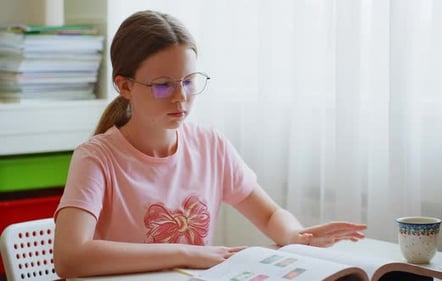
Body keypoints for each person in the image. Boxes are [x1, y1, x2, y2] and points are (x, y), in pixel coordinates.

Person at [53, 10, 366, 278]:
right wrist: (185, 254)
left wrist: (298, 235)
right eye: (163, 85)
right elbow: (69, 256)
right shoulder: (96, 158)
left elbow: (269, 216)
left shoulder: (209, 145)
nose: (181, 97)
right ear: (125, 86)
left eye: (188, 82)